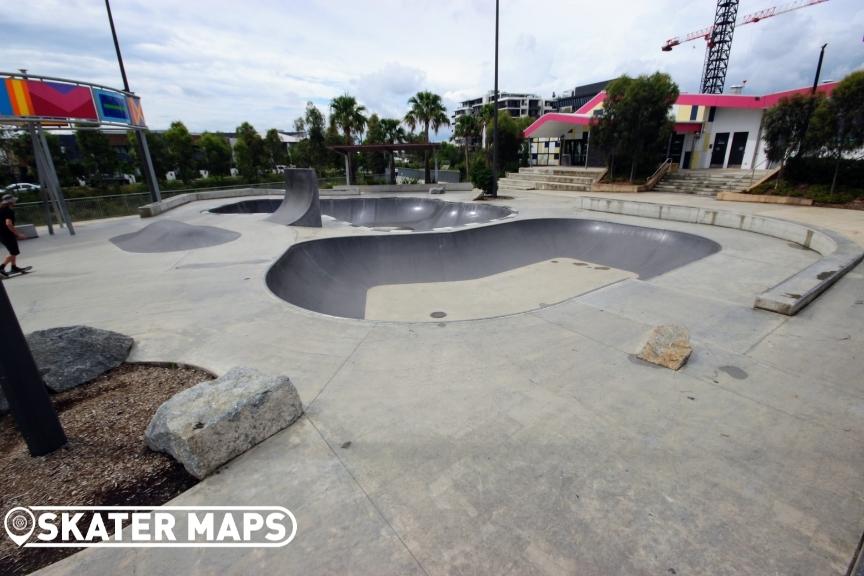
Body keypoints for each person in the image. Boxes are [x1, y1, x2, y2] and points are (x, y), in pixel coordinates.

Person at [0, 193, 30, 278]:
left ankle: (14, 267)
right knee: (14, 252)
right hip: (7, 234)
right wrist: (18, 234)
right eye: (14, 201)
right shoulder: (9, 211)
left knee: (13, 251)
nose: (15, 202)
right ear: (11, 202)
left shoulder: (1, 209)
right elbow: (8, 224)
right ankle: (1, 268)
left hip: (2, 234)